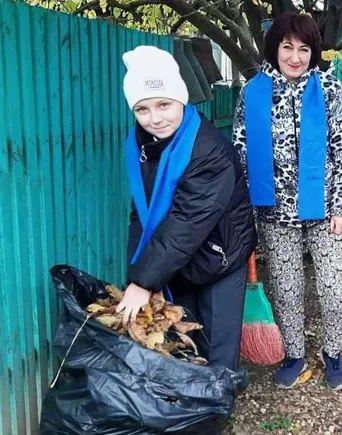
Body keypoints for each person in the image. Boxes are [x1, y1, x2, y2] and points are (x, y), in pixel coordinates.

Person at [232, 12, 342, 390]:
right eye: (287, 46)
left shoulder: (329, 89)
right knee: (286, 289)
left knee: (336, 291)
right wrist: (245, 211)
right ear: (275, 48)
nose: (295, 56)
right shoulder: (252, 91)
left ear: (313, 52)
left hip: (325, 213)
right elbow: (240, 151)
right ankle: (294, 353)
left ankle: (332, 352)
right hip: (274, 214)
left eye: (304, 48)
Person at [117, 46, 256, 372]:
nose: (155, 118)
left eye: (163, 104)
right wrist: (137, 273)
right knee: (184, 340)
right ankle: (189, 406)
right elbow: (142, 210)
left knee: (217, 349)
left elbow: (188, 220)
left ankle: (215, 412)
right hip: (180, 259)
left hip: (220, 255)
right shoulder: (140, 143)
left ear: (181, 98)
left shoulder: (208, 150)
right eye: (142, 109)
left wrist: (144, 280)